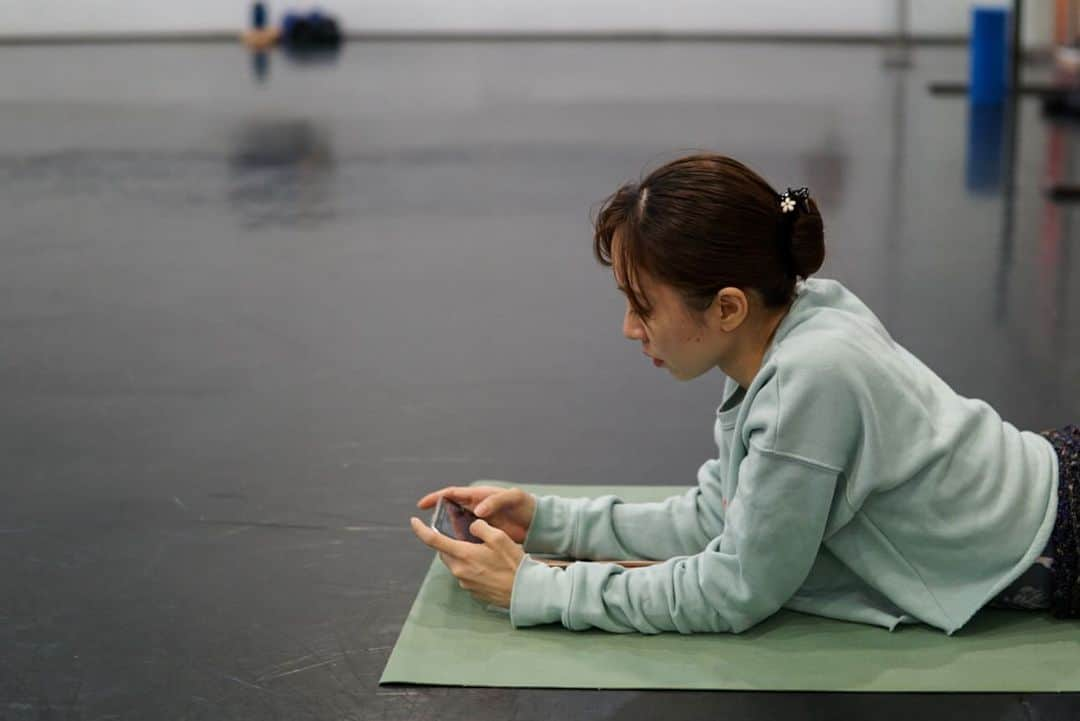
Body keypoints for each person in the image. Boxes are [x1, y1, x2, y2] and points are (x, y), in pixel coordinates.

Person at [409, 153, 1079, 634]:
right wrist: (550, 521)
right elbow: (723, 516)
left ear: (728, 307)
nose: (628, 328)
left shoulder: (808, 381)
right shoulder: (794, 313)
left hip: (1060, 540)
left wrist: (541, 588)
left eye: (641, 305)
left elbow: (735, 588)